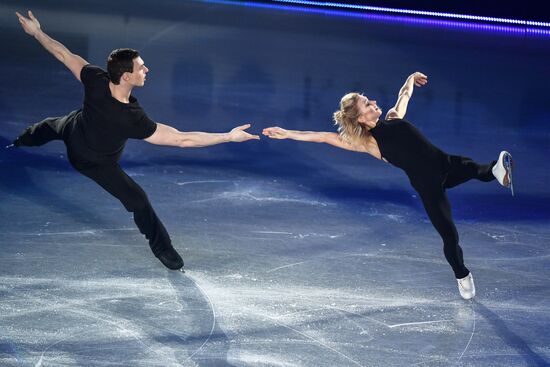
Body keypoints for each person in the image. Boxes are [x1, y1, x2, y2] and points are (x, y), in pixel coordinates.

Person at [11, 11, 260, 271]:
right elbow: (182, 140)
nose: (146, 69)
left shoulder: (96, 79)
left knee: (56, 129)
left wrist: (37, 32)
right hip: (88, 153)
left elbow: (64, 54)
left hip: (87, 149)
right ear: (126, 76)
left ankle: (163, 248)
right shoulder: (132, 118)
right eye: (141, 67)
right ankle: (18, 142)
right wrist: (228, 137)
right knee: (45, 130)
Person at [263, 72, 513, 300]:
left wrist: (410, 79)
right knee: (450, 236)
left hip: (446, 165)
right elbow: (323, 136)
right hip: (428, 187)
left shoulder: (394, 118)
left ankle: (496, 169)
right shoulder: (368, 144)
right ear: (361, 118)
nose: (372, 101)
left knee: (473, 168)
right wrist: (287, 132)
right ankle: (462, 274)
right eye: (366, 103)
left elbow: (403, 96)